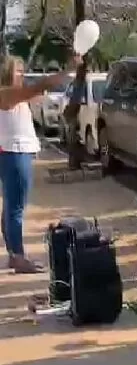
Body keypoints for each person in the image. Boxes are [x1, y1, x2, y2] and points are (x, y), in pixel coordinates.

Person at [0, 55, 72, 273]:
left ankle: (14, 254)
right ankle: (18, 256)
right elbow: (40, 86)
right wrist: (67, 70)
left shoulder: (12, 95)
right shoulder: (7, 94)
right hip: (14, 153)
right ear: (7, 73)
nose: (22, 75)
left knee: (11, 207)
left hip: (14, 153)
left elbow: (39, 91)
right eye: (18, 71)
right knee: (15, 208)